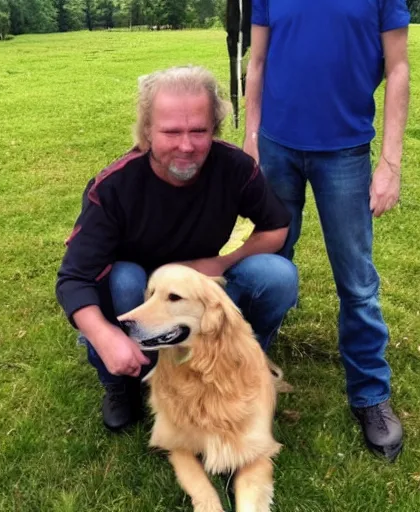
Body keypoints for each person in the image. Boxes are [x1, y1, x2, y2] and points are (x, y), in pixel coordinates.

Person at [56, 66, 298, 431]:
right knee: (124, 279)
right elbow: (73, 278)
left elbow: (276, 226)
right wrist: (104, 337)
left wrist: (219, 261)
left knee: (278, 275)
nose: (186, 146)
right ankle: (121, 381)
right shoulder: (113, 187)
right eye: (171, 132)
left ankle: (245, 359)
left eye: (198, 131)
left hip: (193, 288)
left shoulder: (234, 168)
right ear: (147, 132)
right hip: (135, 295)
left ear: (213, 129)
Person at [243, 1, 410, 461]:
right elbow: (257, 61)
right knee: (268, 264)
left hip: (346, 153)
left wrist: (390, 163)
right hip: (276, 148)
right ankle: (245, 376)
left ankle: (370, 395)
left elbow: (397, 69)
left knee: (357, 283)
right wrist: (252, 137)